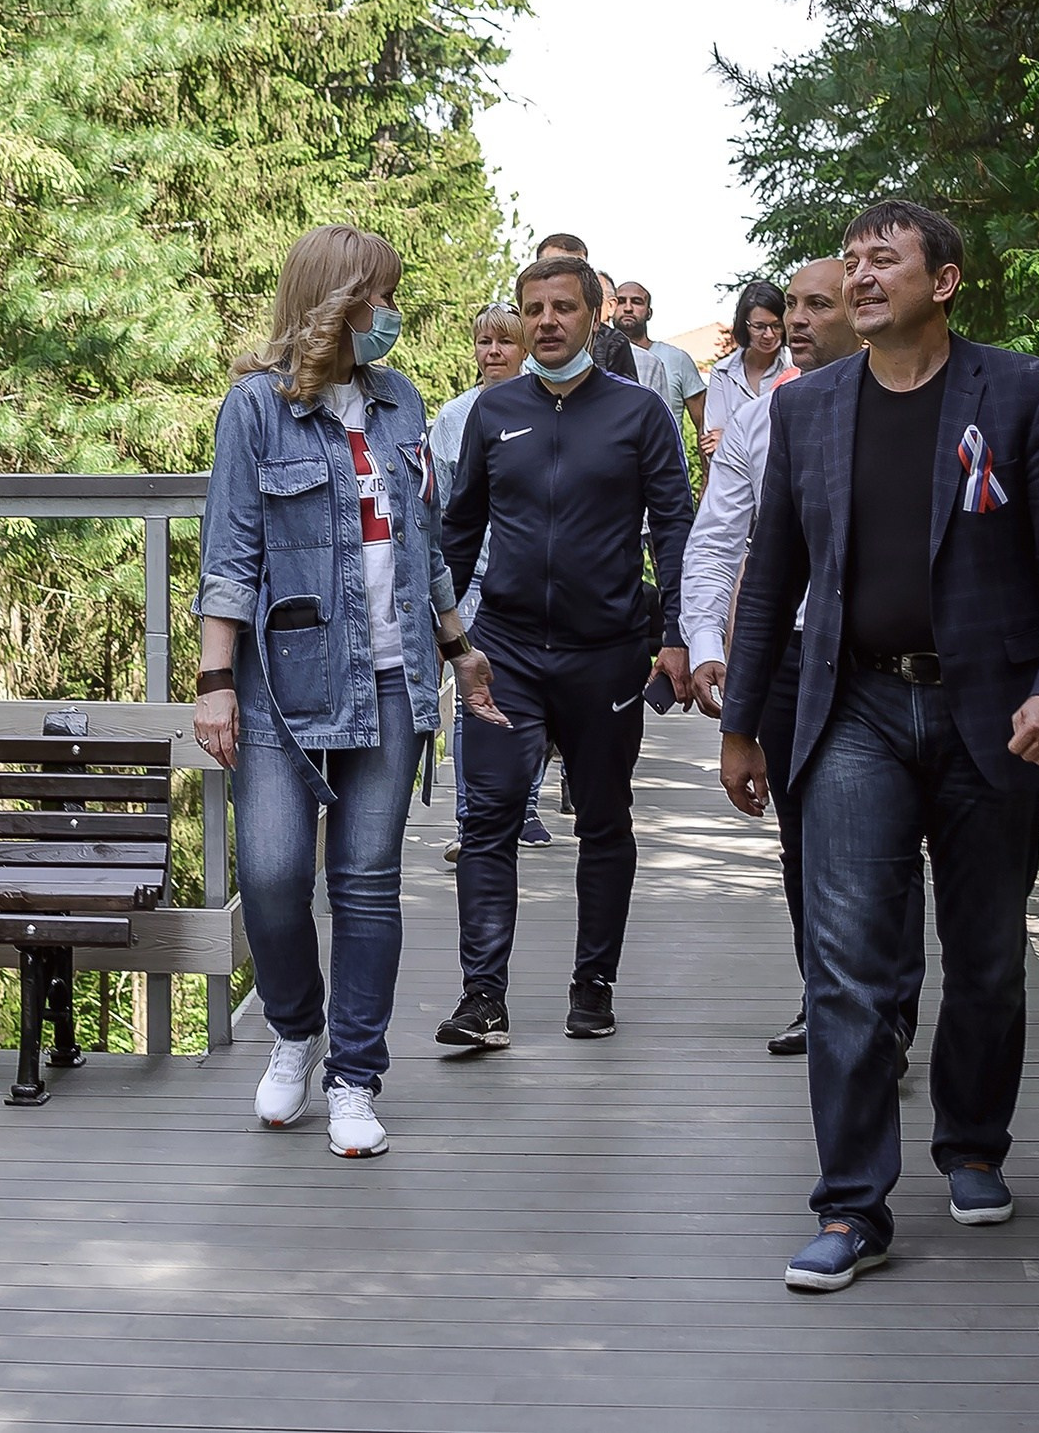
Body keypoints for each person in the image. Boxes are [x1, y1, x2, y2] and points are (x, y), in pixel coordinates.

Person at [717, 200, 1039, 1293]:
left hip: (994, 712)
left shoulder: (1022, 393)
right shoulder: (808, 409)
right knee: (846, 962)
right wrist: (742, 724)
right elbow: (772, 579)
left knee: (985, 955)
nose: (857, 276)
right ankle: (851, 1205)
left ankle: (973, 1144)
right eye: (849, 260)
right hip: (855, 707)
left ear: (941, 282)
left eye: (881, 259)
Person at [194, 224, 503, 1159]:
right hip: (282, 686)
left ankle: (355, 1077)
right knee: (273, 877)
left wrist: (459, 648)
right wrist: (214, 682)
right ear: (336, 300)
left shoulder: (401, 401)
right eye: (381, 296)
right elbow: (229, 555)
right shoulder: (254, 408)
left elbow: (426, 542)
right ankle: (296, 1029)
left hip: (393, 676)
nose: (392, 313)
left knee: (366, 882)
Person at [437, 254, 695, 1048]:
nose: (547, 321)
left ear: (594, 315)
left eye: (563, 307)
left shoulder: (639, 413)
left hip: (607, 653)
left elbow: (674, 527)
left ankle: (594, 983)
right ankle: (483, 997)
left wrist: (677, 635)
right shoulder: (493, 411)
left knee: (605, 819)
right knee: (487, 819)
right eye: (533, 309)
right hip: (505, 652)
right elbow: (459, 529)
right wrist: (440, 635)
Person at [681, 259, 919, 1059]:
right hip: (789, 652)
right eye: (791, 305)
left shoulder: (919, 407)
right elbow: (718, 540)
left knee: (886, 844)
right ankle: (827, 1000)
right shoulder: (763, 420)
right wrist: (706, 642)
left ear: (861, 311)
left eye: (819, 304)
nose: (797, 320)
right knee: (804, 840)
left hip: (878, 656)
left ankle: (887, 1014)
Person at [429, 304, 550, 859]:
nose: (494, 352)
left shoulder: (547, 405)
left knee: (535, 690)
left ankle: (527, 805)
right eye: (484, 342)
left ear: (523, 348)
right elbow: (438, 508)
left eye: (505, 341)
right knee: (471, 696)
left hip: (532, 576)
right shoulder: (453, 418)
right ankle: (470, 819)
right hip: (472, 579)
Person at [534, 232, 669, 408]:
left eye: (574, 271)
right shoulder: (514, 334)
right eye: (552, 270)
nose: (561, 280)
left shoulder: (612, 344)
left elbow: (627, 411)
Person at [700, 278, 794, 458]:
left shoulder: (796, 366)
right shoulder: (723, 372)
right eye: (759, 327)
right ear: (744, 325)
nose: (769, 335)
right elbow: (713, 444)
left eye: (776, 326)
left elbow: (797, 438)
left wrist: (730, 439)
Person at [611, 280, 709, 448]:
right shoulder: (594, 359)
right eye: (621, 301)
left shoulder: (677, 359)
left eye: (636, 302)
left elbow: (703, 424)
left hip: (666, 459)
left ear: (649, 313)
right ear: (611, 308)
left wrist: (707, 464)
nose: (628, 308)